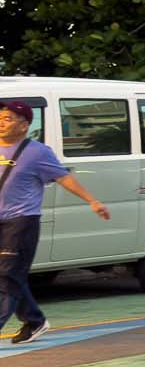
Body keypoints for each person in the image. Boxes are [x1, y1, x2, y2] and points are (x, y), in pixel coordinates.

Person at [0, 99, 112, 345]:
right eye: (0, 118)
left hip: (21, 221)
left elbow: (63, 178)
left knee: (7, 275)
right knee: (12, 276)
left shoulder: (37, 152)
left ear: (24, 125)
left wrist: (92, 201)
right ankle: (35, 320)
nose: (1, 122)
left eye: (8, 119)